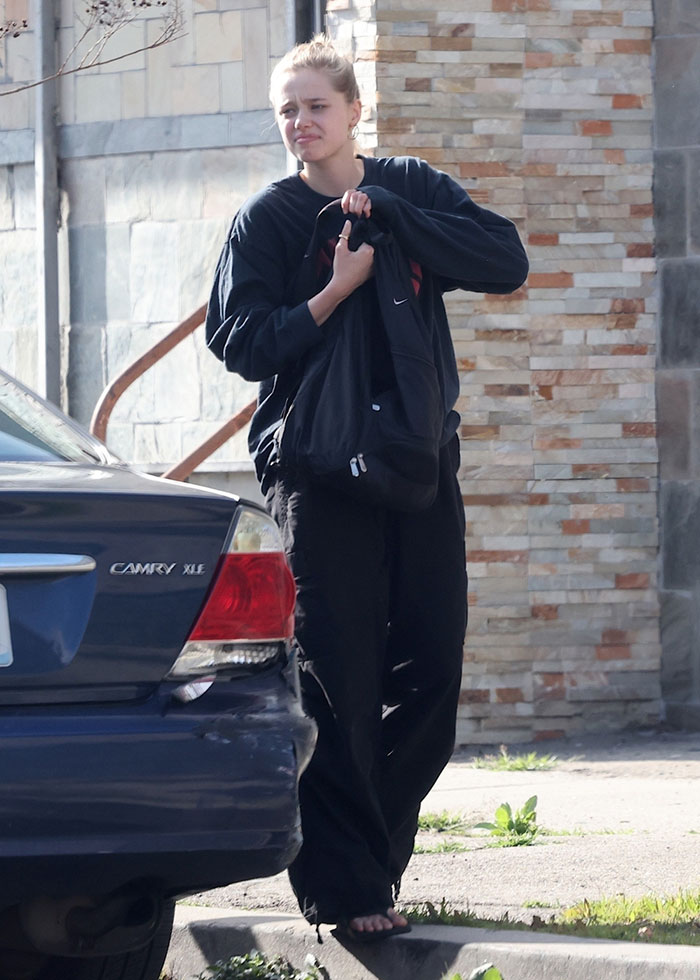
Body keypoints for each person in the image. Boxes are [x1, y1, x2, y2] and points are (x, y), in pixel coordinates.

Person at [206, 35, 528, 942]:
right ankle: (347, 886)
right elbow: (238, 343)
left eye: (315, 106)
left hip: (418, 464)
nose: (300, 123)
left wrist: (387, 210)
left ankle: (373, 855)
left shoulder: (411, 186)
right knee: (334, 679)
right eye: (286, 110)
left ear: (354, 112)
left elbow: (504, 261)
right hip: (316, 476)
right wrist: (333, 292)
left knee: (433, 665)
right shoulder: (266, 220)